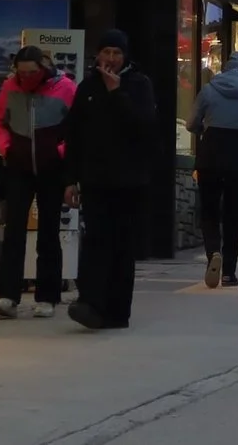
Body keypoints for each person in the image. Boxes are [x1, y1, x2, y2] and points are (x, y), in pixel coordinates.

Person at [67, 29, 157, 330]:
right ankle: (90, 303)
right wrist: (71, 179)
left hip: (130, 180)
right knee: (95, 241)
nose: (111, 59)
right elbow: (75, 135)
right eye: (106, 52)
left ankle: (117, 312)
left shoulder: (139, 85)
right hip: (95, 179)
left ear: (125, 56)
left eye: (116, 53)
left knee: (121, 245)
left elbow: (144, 128)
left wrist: (117, 93)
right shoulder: (87, 87)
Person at [0, 44, 74, 318]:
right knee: (14, 231)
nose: (26, 79)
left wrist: (60, 151)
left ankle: (47, 296)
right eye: (21, 73)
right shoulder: (11, 88)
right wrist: (7, 148)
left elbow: (78, 126)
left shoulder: (66, 88)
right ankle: (7, 296)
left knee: (48, 232)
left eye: (32, 73)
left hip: (51, 168)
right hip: (19, 166)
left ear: (43, 68)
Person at [191, 49, 238, 288]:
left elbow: (192, 122)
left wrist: (205, 128)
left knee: (209, 209)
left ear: (224, 69)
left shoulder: (210, 89)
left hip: (211, 151)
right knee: (232, 213)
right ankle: (229, 273)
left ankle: (213, 252)